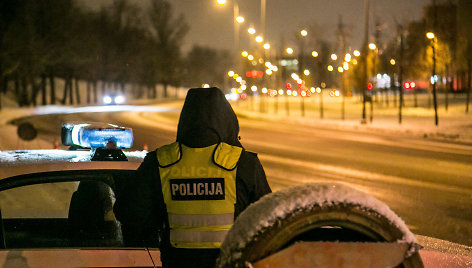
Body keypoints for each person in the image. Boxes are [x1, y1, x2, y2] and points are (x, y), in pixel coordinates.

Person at [114, 87, 271, 268]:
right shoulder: (243, 163)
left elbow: (128, 212)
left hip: (178, 261)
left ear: (185, 120)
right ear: (228, 121)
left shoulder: (161, 161)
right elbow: (268, 219)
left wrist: (162, 223)